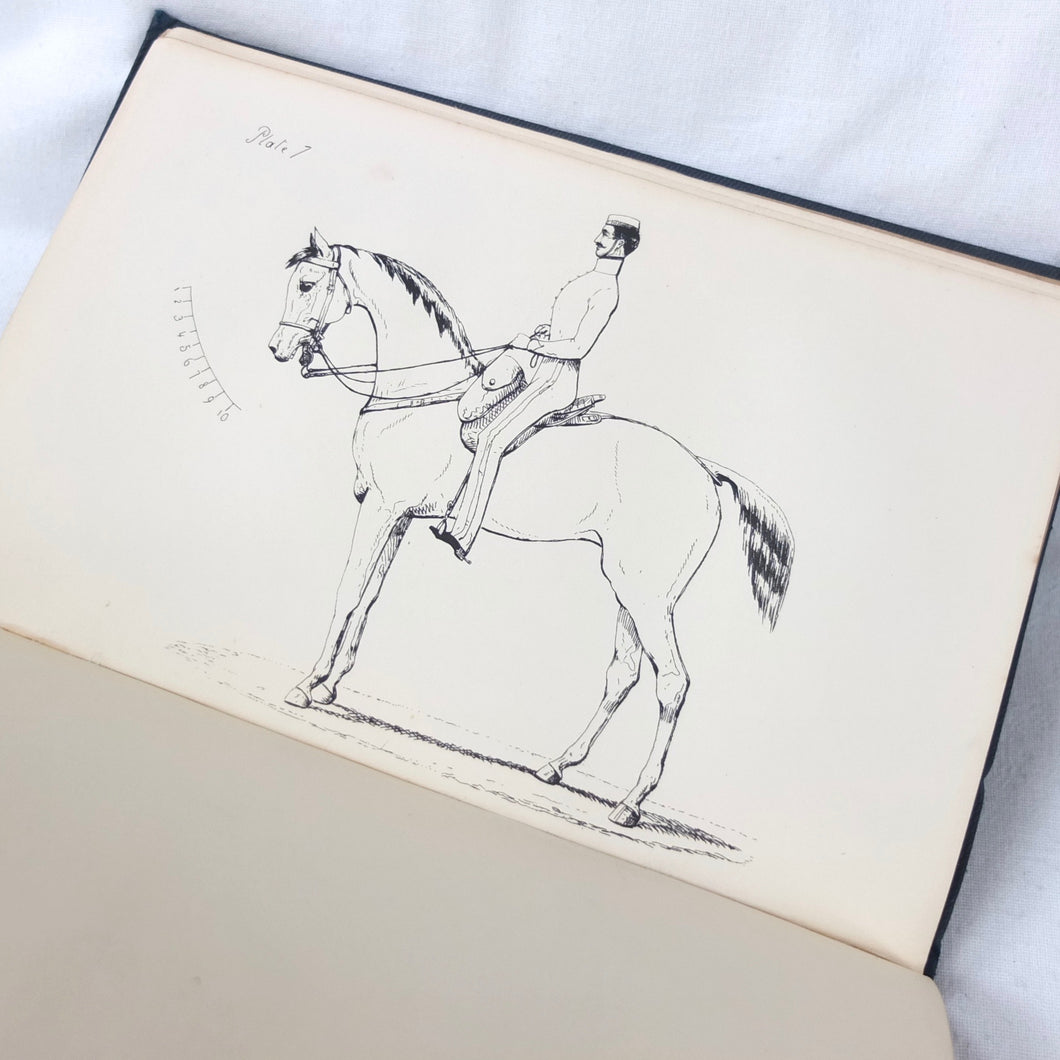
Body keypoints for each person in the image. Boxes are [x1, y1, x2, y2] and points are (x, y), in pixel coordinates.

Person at [432, 214, 640, 560]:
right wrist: (544, 334)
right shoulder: (587, 281)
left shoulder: (606, 291)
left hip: (557, 382)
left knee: (492, 438)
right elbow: (564, 330)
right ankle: (454, 515)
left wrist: (532, 345)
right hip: (539, 372)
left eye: (605, 234)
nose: (597, 239)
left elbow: (578, 347)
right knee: (482, 425)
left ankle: (463, 532)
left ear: (619, 244)